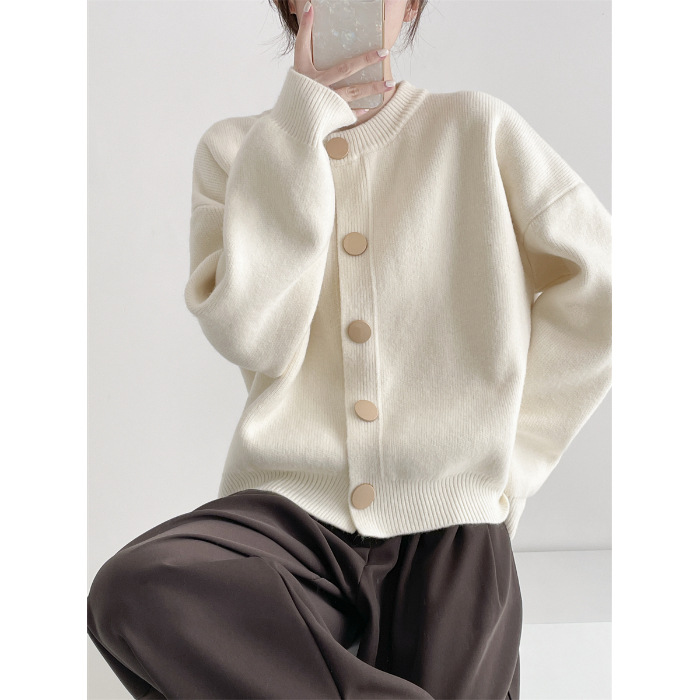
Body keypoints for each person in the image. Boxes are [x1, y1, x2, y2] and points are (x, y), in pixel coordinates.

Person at [87, 1, 612, 698]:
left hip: (452, 521)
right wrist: (299, 125)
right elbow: (254, 335)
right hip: (289, 521)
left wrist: (511, 464)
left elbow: (607, 291)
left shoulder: (477, 129)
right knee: (136, 591)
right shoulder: (236, 152)